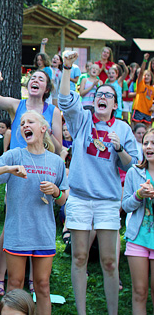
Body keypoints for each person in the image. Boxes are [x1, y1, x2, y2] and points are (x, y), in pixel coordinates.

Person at [58, 50, 138, 315]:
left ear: (115, 104)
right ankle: (82, 313)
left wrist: (119, 149)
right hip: (80, 198)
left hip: (108, 201)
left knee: (109, 262)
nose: (102, 98)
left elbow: (132, 164)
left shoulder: (124, 129)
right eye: (98, 95)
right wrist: (68, 69)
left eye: (108, 96)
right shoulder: (82, 120)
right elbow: (65, 100)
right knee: (79, 257)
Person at [0, 110, 68, 314]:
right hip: (17, 232)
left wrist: (55, 191)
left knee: (42, 285)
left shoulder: (56, 162)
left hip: (43, 233)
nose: (25, 125)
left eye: (31, 122)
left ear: (43, 128)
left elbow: (63, 199)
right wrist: (8, 169)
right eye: (22, 123)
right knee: (15, 285)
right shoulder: (14, 155)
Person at [122, 127, 154, 314]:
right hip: (137, 239)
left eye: (153, 143)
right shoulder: (134, 172)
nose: (148, 146)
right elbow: (126, 206)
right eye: (146, 143)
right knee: (139, 292)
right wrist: (139, 195)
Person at [132, 53, 154, 127]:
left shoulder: (152, 88)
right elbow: (141, 72)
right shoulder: (140, 84)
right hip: (139, 110)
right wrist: (145, 60)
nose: (146, 77)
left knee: (146, 130)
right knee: (137, 128)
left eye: (148, 75)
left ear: (151, 78)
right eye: (145, 75)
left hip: (148, 112)